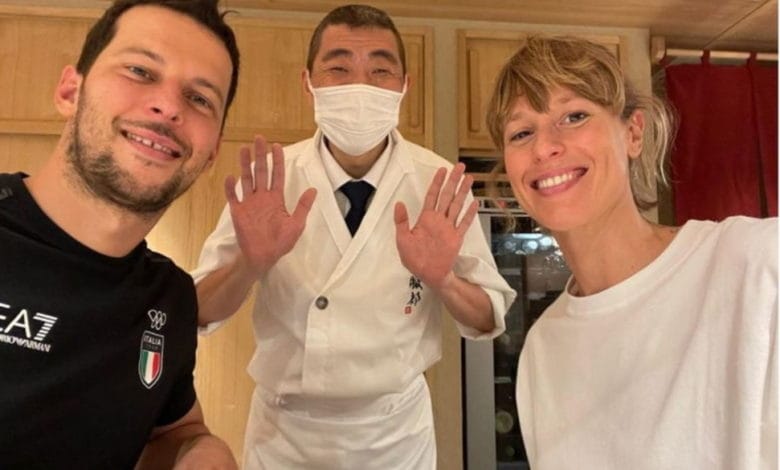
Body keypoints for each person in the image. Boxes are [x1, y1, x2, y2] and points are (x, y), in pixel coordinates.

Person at [192, 4, 516, 468]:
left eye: (380, 70)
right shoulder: (270, 179)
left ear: (404, 85)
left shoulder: (437, 182)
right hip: (286, 436)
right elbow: (199, 310)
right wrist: (250, 263)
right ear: (308, 83)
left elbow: (488, 316)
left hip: (393, 436)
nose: (360, 85)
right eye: (339, 68)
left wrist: (444, 279)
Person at [485, 35, 778, 470]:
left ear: (633, 133)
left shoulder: (755, 263)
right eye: (521, 132)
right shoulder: (541, 350)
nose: (544, 147)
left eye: (574, 115)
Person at [0, 1, 241, 468]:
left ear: (211, 154)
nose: (169, 107)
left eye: (199, 99)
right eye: (140, 71)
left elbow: (174, 429)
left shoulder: (169, 298)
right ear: (70, 91)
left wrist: (201, 451)